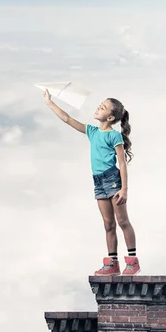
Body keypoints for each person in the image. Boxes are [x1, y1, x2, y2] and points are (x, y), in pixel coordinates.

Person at [43, 89, 140, 276]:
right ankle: (113, 263)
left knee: (122, 220)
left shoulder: (114, 136)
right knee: (108, 224)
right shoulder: (92, 131)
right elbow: (67, 119)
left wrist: (124, 189)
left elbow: (122, 162)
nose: (98, 108)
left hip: (113, 179)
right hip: (98, 181)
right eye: (100, 105)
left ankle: (132, 261)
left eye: (102, 107)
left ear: (110, 118)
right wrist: (49, 102)